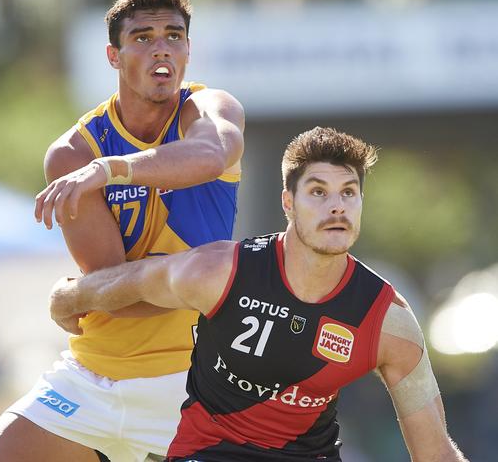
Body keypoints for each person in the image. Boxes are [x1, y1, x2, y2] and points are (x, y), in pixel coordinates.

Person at [50, 127, 469, 462]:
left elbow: (435, 453)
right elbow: (133, 280)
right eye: (318, 192)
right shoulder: (221, 272)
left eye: (349, 193)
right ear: (288, 203)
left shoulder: (388, 320)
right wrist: (69, 297)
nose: (336, 206)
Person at [0, 0, 244, 462]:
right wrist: (98, 291)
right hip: (90, 377)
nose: (161, 47)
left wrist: (113, 171)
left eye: (173, 36)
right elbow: (118, 298)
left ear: (187, 51)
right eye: (142, 37)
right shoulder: (74, 153)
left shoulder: (210, 110)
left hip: (191, 381)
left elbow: (211, 155)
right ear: (113, 56)